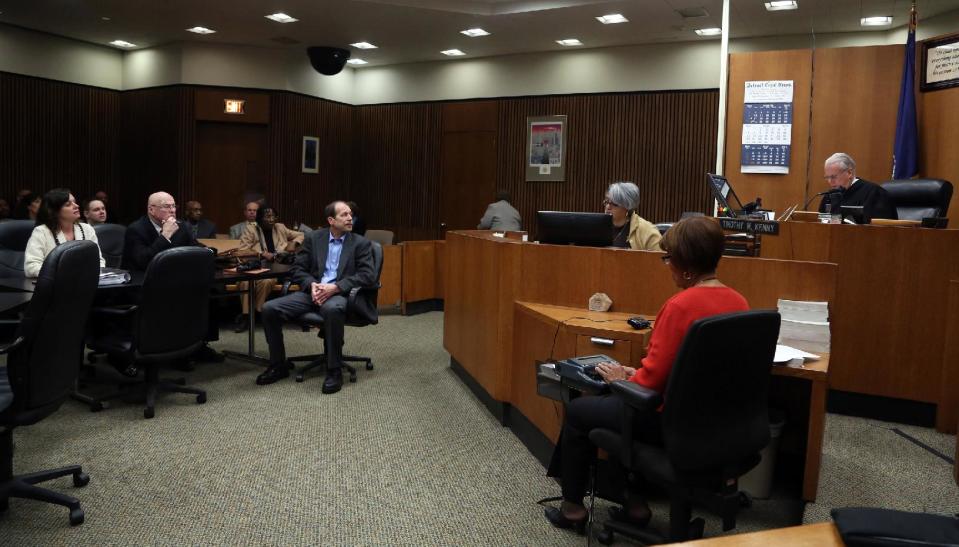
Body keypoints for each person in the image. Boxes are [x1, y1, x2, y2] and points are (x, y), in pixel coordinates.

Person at [544, 216, 749, 535]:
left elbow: (650, 386)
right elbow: (689, 370)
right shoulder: (739, 301)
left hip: (671, 424)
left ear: (684, 265)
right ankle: (633, 504)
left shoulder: (680, 306)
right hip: (716, 425)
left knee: (580, 410)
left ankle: (574, 509)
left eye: (668, 259)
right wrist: (634, 374)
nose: (666, 266)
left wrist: (621, 379)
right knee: (612, 406)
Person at [256, 201, 375, 394]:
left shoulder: (360, 243)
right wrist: (312, 285)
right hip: (313, 291)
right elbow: (298, 269)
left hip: (340, 294)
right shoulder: (313, 238)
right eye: (344, 215)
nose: (350, 218)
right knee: (270, 309)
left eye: (350, 214)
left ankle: (334, 370)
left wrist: (335, 287)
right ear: (331, 220)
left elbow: (367, 275)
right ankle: (278, 365)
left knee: (332, 309)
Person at [122, 191, 223, 363]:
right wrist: (165, 236)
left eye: (174, 206)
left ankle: (198, 345)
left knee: (209, 291)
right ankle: (170, 351)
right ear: (152, 209)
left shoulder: (181, 227)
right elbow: (143, 261)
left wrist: (208, 252)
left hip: (175, 280)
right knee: (174, 299)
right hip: (144, 284)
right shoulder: (136, 229)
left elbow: (194, 247)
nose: (172, 210)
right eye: (166, 207)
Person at [234, 206, 304, 332]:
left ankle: (257, 313)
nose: (271, 219)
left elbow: (301, 234)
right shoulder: (251, 229)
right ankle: (246, 315)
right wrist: (260, 254)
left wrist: (294, 243)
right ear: (260, 218)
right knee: (245, 282)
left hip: (275, 269)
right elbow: (242, 251)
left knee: (267, 281)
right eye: (267, 216)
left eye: (273, 216)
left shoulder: (280, 227)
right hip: (255, 267)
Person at [24, 189, 105, 278]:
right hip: (54, 286)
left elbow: (99, 261)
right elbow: (31, 267)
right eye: (68, 204)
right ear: (54, 210)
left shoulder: (87, 229)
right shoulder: (41, 232)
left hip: (85, 284)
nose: (76, 206)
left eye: (75, 202)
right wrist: (65, 274)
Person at [817, 153, 897, 222]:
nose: (830, 181)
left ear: (849, 173)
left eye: (833, 177)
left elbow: (880, 228)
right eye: (827, 177)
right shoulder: (829, 196)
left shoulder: (875, 194)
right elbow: (822, 223)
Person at [604, 181, 661, 251]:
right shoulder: (598, 226)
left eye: (615, 204)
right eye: (607, 202)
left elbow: (660, 259)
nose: (608, 207)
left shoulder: (647, 230)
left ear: (627, 207)